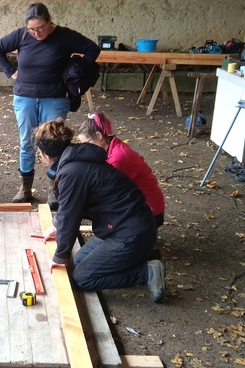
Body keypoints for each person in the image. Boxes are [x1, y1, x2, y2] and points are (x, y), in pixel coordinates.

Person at [37, 119, 165, 303]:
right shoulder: (75, 159)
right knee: (80, 259)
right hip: (123, 224)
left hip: (131, 233)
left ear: (46, 155)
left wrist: (60, 255)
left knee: (83, 278)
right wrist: (57, 226)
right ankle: (133, 258)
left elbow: (70, 215)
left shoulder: (72, 172)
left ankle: (146, 272)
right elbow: (68, 208)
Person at [0, 2, 100, 207]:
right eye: (32, 29)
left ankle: (54, 190)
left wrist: (76, 70)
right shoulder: (21, 35)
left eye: (40, 28)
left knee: (54, 143)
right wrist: (11, 72)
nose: (36, 33)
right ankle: (25, 188)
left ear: (49, 21)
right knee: (27, 142)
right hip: (25, 98)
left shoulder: (65, 36)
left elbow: (92, 49)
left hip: (55, 98)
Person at [77, 112, 165, 227]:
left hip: (149, 213)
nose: (85, 148)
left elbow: (102, 192)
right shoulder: (110, 146)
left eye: (86, 144)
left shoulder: (119, 157)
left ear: (98, 136)